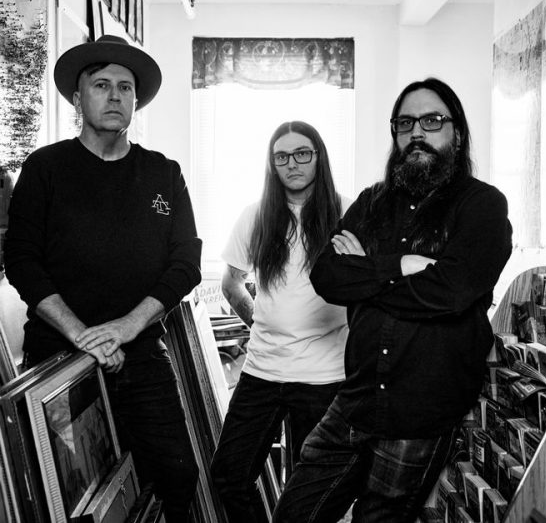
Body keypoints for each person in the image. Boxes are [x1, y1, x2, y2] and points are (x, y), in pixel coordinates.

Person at [273, 78, 513, 522]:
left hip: (419, 417)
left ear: (458, 133)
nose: (416, 132)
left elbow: (452, 292)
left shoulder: (483, 206)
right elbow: (327, 276)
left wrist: (366, 272)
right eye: (405, 123)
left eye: (431, 121)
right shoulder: (372, 202)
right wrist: (401, 265)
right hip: (355, 402)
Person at [4, 35, 201, 522]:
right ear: (78, 98)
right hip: (59, 358)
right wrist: (83, 337)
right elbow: (22, 261)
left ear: (136, 100)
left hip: (142, 355)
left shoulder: (164, 174)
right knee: (71, 495)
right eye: (101, 85)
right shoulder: (46, 168)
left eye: (125, 87)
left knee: (177, 477)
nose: (115, 96)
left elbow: (186, 263)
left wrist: (126, 328)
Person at [210, 121, 350, 522]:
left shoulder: (348, 212)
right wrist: (260, 322)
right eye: (282, 156)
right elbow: (231, 283)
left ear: (318, 157)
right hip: (263, 370)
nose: (292, 163)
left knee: (308, 498)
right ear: (272, 164)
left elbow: (369, 284)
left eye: (302, 153)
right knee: (229, 476)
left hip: (325, 376)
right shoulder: (256, 215)